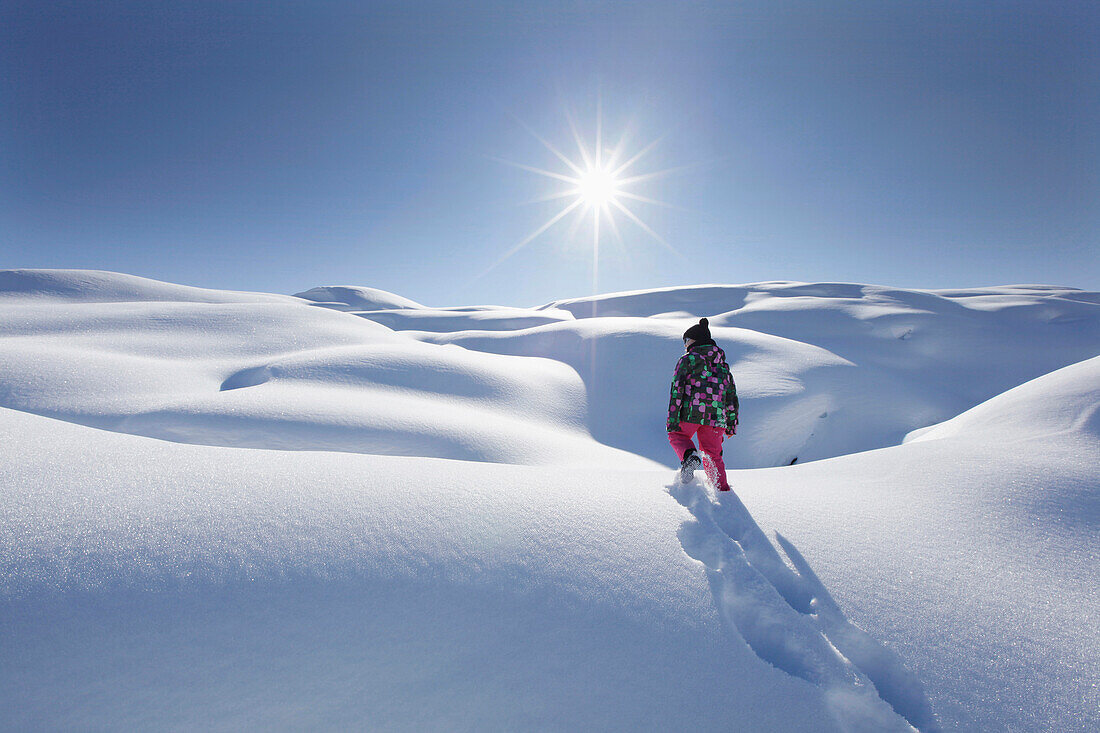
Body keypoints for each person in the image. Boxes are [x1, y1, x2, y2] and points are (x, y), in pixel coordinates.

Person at [667, 317, 739, 490]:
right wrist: (731, 425)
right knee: (712, 454)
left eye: (686, 340)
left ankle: (689, 456)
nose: (685, 344)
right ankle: (721, 490)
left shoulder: (688, 360)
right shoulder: (723, 366)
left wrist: (673, 418)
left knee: (678, 436)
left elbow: (677, 389)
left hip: (691, 412)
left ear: (695, 340)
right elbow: (731, 397)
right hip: (716, 418)